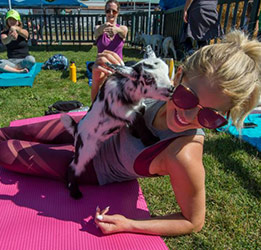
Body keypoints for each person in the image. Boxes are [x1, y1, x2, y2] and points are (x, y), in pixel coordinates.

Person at [0, 30, 260, 236]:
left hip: (92, 165)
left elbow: (193, 221)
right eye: (185, 97)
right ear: (177, 76)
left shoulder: (184, 154)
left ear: (222, 117)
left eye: (209, 116)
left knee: (5, 152)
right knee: (8, 132)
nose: (188, 117)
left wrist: (130, 224)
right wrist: (99, 82)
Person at [92, 0, 128, 101]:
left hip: (118, 69)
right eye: (108, 11)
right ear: (105, 12)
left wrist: (116, 30)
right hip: (102, 68)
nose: (111, 13)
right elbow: (96, 32)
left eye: (114, 11)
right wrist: (105, 26)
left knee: (118, 101)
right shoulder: (99, 28)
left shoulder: (122, 28)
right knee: (98, 99)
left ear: (118, 12)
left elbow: (124, 32)